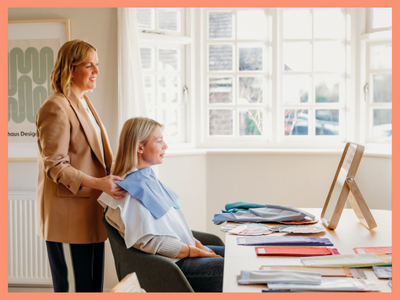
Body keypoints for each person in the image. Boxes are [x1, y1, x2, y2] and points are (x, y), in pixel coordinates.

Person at [36, 40, 126, 292]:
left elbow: (95, 156)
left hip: (91, 214)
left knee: (91, 289)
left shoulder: (84, 103)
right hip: (68, 220)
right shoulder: (55, 106)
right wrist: (99, 183)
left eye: (96, 65)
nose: (96, 71)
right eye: (89, 65)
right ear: (70, 68)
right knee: (74, 291)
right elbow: (55, 166)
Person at [98, 117, 225, 292]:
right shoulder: (128, 191)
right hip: (172, 266)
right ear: (139, 147)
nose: (165, 146)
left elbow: (171, 227)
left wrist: (197, 245)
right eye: (159, 141)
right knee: (231, 267)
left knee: (237, 257)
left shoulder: (146, 178)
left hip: (182, 256)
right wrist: (193, 251)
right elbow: (150, 242)